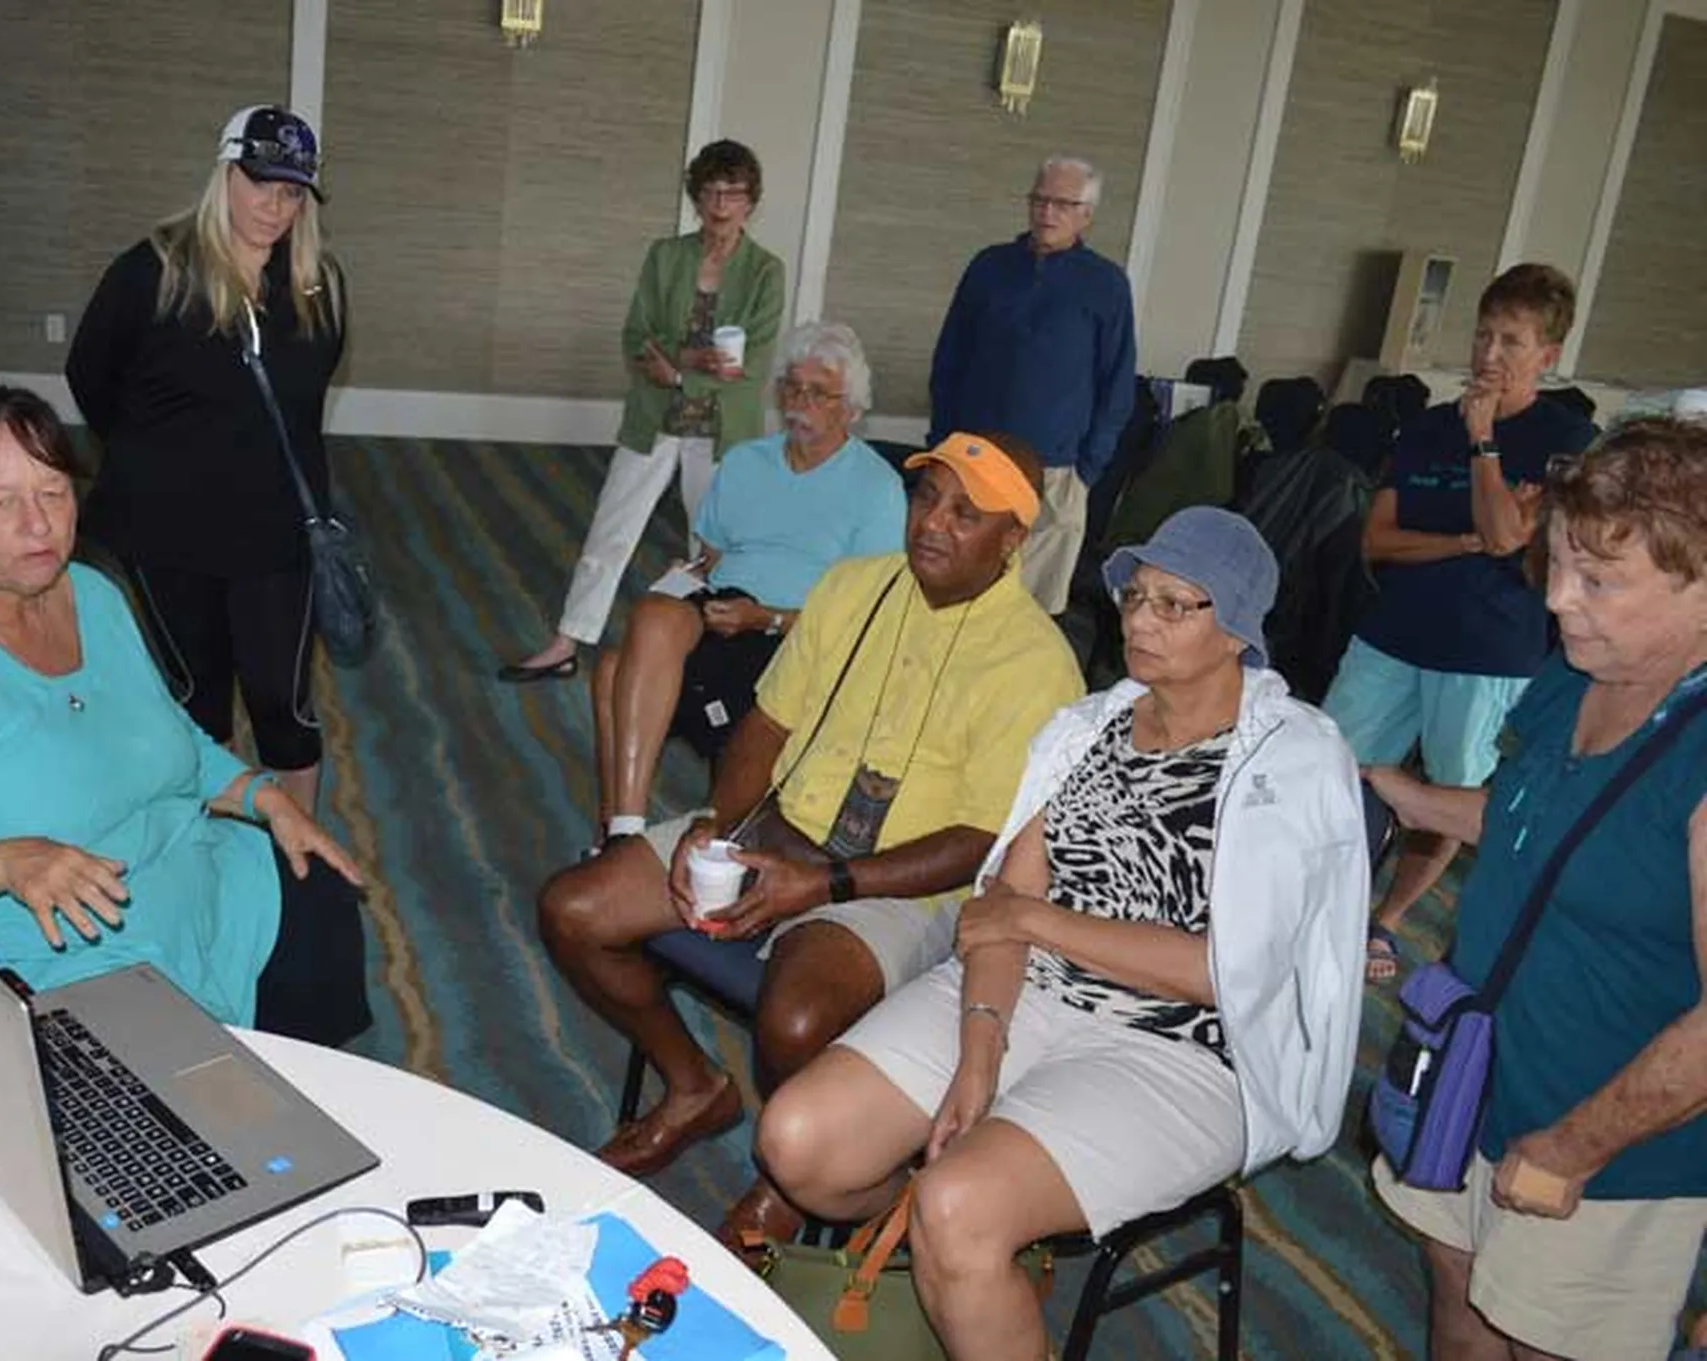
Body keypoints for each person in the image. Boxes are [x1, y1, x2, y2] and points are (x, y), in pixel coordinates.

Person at [757, 507, 1369, 1361]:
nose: (1141, 619)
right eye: (1135, 596)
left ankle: (974, 1242)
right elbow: (1000, 909)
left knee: (957, 1206)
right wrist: (981, 1054)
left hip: (1184, 1049)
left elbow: (1224, 972)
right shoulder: (1089, 730)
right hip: (1031, 994)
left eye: (1174, 604)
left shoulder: (1288, 762)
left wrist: (1035, 920)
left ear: (1236, 632)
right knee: (800, 1143)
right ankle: (977, 1252)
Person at [539, 432, 1083, 1247]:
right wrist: (717, 828)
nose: (932, 522)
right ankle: (695, 1085)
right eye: (926, 496)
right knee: (574, 907)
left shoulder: (1039, 664)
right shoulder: (853, 587)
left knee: (793, 1019)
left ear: (1013, 542)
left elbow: (978, 839)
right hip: (774, 830)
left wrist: (824, 885)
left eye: (965, 513)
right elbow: (766, 724)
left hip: (903, 885)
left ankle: (788, 1186)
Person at [0, 386, 372, 1050]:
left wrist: (265, 798)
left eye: (54, 492)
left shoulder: (90, 593)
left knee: (317, 895)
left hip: (180, 884)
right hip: (24, 956)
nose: (38, 526)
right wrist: (3, 863)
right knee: (166, 1114)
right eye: (0, 502)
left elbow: (168, 742)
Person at [1367, 418, 1707, 1361]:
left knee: (1547, 1342)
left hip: (1605, 1140)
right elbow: (1531, 820)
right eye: (1557, 562)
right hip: (1475, 1074)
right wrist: (1407, 793)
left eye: (1597, 580)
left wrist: (1573, 1148)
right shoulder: (1572, 677)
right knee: (1462, 1299)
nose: (1558, 599)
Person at [1322, 264, 1598, 983]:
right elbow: (1378, 540)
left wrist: (1484, 445)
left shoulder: (1566, 437)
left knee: (1447, 798)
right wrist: (1468, 539)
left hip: (1487, 651)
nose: (1489, 354)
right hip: (1394, 632)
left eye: (1511, 340)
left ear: (1547, 355)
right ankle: (1321, 900)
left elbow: (1510, 539)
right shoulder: (1425, 425)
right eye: (1482, 335)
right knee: (1329, 767)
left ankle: (1382, 922)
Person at [67, 104, 345, 815]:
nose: (274, 207)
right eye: (260, 184)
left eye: (291, 193)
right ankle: (210, 845)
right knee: (197, 698)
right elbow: (90, 374)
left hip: (278, 532)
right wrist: (156, 455)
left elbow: (305, 399)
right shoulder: (154, 271)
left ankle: (298, 856)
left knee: (281, 702)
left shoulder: (319, 284)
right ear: (225, 173)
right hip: (169, 530)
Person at [589, 321, 904, 850]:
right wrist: (689, 575)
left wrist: (767, 618)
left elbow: (869, 616)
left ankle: (624, 838)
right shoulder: (745, 462)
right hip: (722, 606)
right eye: (791, 387)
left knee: (617, 672)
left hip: (795, 633)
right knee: (650, 616)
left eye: (818, 392)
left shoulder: (877, 488)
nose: (799, 402)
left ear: (850, 408)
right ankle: (624, 830)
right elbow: (711, 556)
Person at [501, 140, 786, 683]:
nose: (720, 205)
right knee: (612, 528)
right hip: (656, 416)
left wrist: (679, 369)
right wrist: (689, 361)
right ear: (696, 196)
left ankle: (699, 657)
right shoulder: (667, 255)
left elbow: (748, 364)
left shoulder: (765, 272)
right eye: (709, 192)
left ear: (751, 201)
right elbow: (637, 336)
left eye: (733, 193)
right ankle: (567, 640)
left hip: (721, 428)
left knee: (711, 548)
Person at [928, 154, 1136, 618]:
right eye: (1040, 200)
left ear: (1087, 214)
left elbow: (1117, 385)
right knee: (960, 601)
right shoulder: (989, 267)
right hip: (974, 465)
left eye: (1062, 204)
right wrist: (942, 444)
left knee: (1033, 616)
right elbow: (949, 361)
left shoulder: (1106, 284)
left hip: (1059, 473)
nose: (1047, 213)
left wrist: (1088, 469)